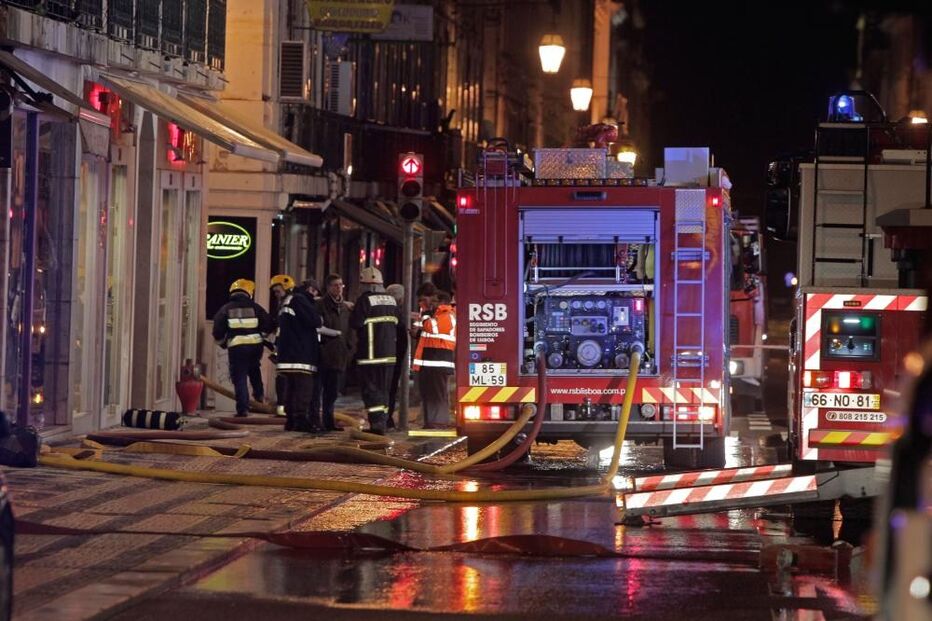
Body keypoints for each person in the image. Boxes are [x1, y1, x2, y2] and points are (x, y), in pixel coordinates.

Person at [212, 279, 272, 417]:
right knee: (254, 370)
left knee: (239, 377)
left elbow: (217, 331)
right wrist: (262, 336)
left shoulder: (226, 309)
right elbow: (269, 324)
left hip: (237, 348)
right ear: (249, 292)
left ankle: (243, 409)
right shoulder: (256, 308)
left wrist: (223, 343)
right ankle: (259, 398)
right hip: (256, 347)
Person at [349, 266, 399, 435]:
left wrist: (353, 309)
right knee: (384, 391)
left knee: (372, 391)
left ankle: (377, 426)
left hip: (370, 356)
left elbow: (355, 323)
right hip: (389, 356)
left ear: (364, 285)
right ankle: (382, 422)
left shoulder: (364, 300)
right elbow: (399, 324)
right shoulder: (391, 300)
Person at [270, 274, 322, 432]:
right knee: (303, 388)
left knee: (291, 388)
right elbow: (315, 321)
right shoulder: (298, 300)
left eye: (277, 291)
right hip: (301, 355)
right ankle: (300, 420)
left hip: (287, 355)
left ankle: (291, 420)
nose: (276, 295)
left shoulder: (285, 303)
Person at [311, 274, 353, 432]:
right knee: (317, 391)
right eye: (335, 285)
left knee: (332, 392)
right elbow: (316, 327)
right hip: (322, 354)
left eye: (341, 285)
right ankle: (315, 421)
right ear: (328, 287)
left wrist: (349, 347)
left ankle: (328, 421)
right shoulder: (320, 305)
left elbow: (349, 330)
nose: (339, 288)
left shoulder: (345, 307)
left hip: (339, 354)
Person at [412, 290, 456, 428]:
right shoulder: (437, 315)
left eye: (435, 301)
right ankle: (431, 422)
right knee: (429, 394)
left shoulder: (447, 315)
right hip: (430, 363)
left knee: (437, 394)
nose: (432, 303)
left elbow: (431, 327)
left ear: (442, 302)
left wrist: (425, 312)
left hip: (438, 363)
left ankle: (438, 423)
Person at [385, 283, 407, 428]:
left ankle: (385, 418)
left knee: (386, 389)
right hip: (392, 356)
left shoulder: (387, 310)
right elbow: (400, 337)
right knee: (389, 389)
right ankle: (386, 419)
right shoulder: (395, 311)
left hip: (387, 355)